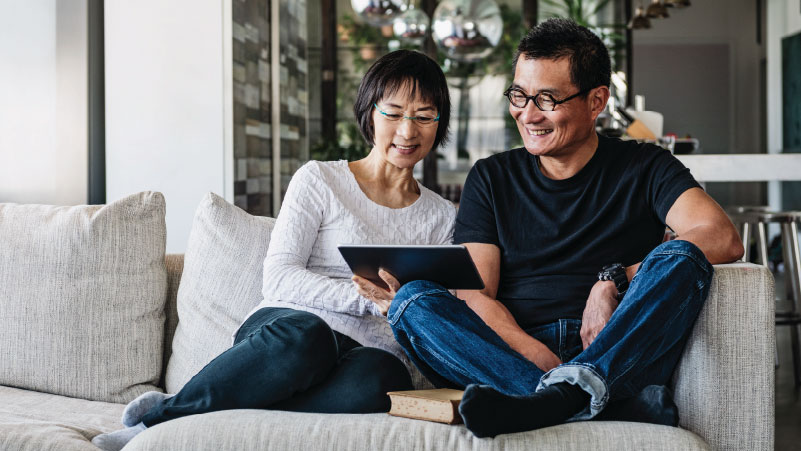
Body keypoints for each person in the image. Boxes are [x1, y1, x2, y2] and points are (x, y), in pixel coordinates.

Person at [354, 19, 744, 438]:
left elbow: (721, 236)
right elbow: (476, 293)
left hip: (617, 341)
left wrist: (614, 280)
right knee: (412, 302)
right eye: (519, 95)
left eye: (547, 99)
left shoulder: (645, 165)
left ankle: (547, 402)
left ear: (597, 101)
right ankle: (589, 400)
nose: (528, 114)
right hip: (513, 353)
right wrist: (534, 353)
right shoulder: (492, 177)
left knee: (682, 256)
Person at [92, 49, 456, 451]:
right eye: (393, 112)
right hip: (287, 334)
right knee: (310, 336)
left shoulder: (442, 217)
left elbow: (432, 303)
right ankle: (156, 422)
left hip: (364, 354)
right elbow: (279, 276)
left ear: (438, 125)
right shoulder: (320, 179)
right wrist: (366, 299)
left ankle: (224, 404)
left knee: (384, 379)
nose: (407, 131)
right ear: (370, 112)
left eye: (424, 116)